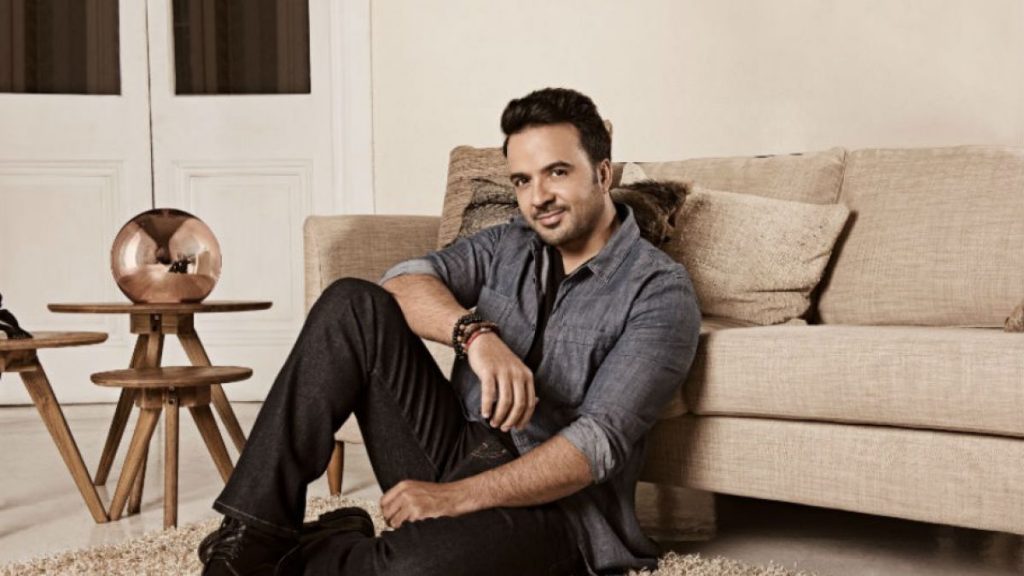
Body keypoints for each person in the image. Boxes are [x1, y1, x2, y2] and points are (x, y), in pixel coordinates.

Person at [199, 87, 701, 576]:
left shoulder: (659, 291)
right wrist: (475, 336)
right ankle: (253, 538)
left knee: (411, 566)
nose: (539, 197)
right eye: (522, 180)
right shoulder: (509, 243)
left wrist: (452, 498)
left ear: (603, 173)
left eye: (557, 172)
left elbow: (595, 445)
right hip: (458, 445)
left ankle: (316, 547)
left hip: (560, 511)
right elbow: (401, 281)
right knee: (351, 303)